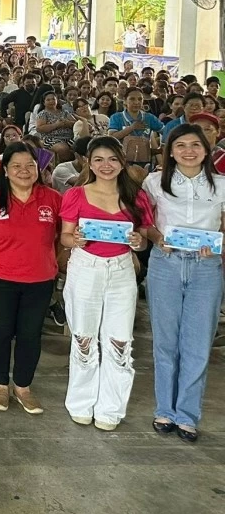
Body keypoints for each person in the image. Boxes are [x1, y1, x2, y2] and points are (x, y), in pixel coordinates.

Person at [59, 136, 154, 430]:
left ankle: (111, 408)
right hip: (85, 268)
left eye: (112, 159)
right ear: (89, 162)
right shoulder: (76, 195)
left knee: (119, 341)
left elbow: (143, 236)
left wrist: (139, 242)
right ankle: (81, 402)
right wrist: (74, 240)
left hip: (122, 271)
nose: (106, 165)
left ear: (122, 162)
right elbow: (64, 237)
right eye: (98, 159)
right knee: (84, 338)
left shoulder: (136, 196)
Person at [142, 125, 225, 443]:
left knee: (197, 345)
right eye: (180, 145)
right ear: (170, 150)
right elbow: (144, 222)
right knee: (166, 343)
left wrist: (217, 244)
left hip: (206, 268)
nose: (188, 150)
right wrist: (158, 238)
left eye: (195, 144)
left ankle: (187, 416)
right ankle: (165, 410)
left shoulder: (220, 185)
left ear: (206, 149)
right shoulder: (155, 182)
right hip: (166, 266)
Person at [0, 142, 61, 414]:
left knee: (30, 335)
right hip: (0, 279)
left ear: (39, 168)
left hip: (40, 281)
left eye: (30, 165)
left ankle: (23, 387)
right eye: (17, 166)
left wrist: (54, 261)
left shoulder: (53, 199)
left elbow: (63, 237)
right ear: (6, 171)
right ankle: (0, 386)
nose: (24, 171)